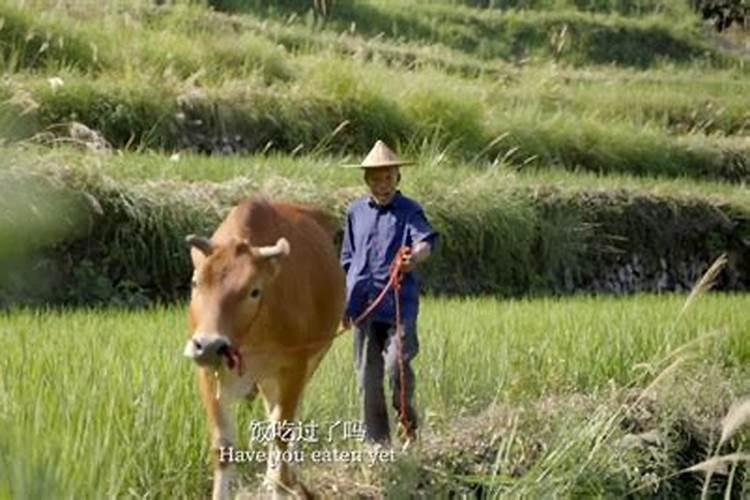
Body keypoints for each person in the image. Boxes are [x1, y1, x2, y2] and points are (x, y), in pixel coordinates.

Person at [340, 140, 439, 445]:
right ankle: (378, 446)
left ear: (398, 178)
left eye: (387, 178)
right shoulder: (355, 212)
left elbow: (425, 242)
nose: (381, 185)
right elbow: (347, 259)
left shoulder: (410, 210)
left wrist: (413, 258)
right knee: (368, 381)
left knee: (397, 366)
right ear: (366, 180)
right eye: (375, 178)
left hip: (397, 306)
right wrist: (344, 305)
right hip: (363, 308)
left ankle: (408, 427)